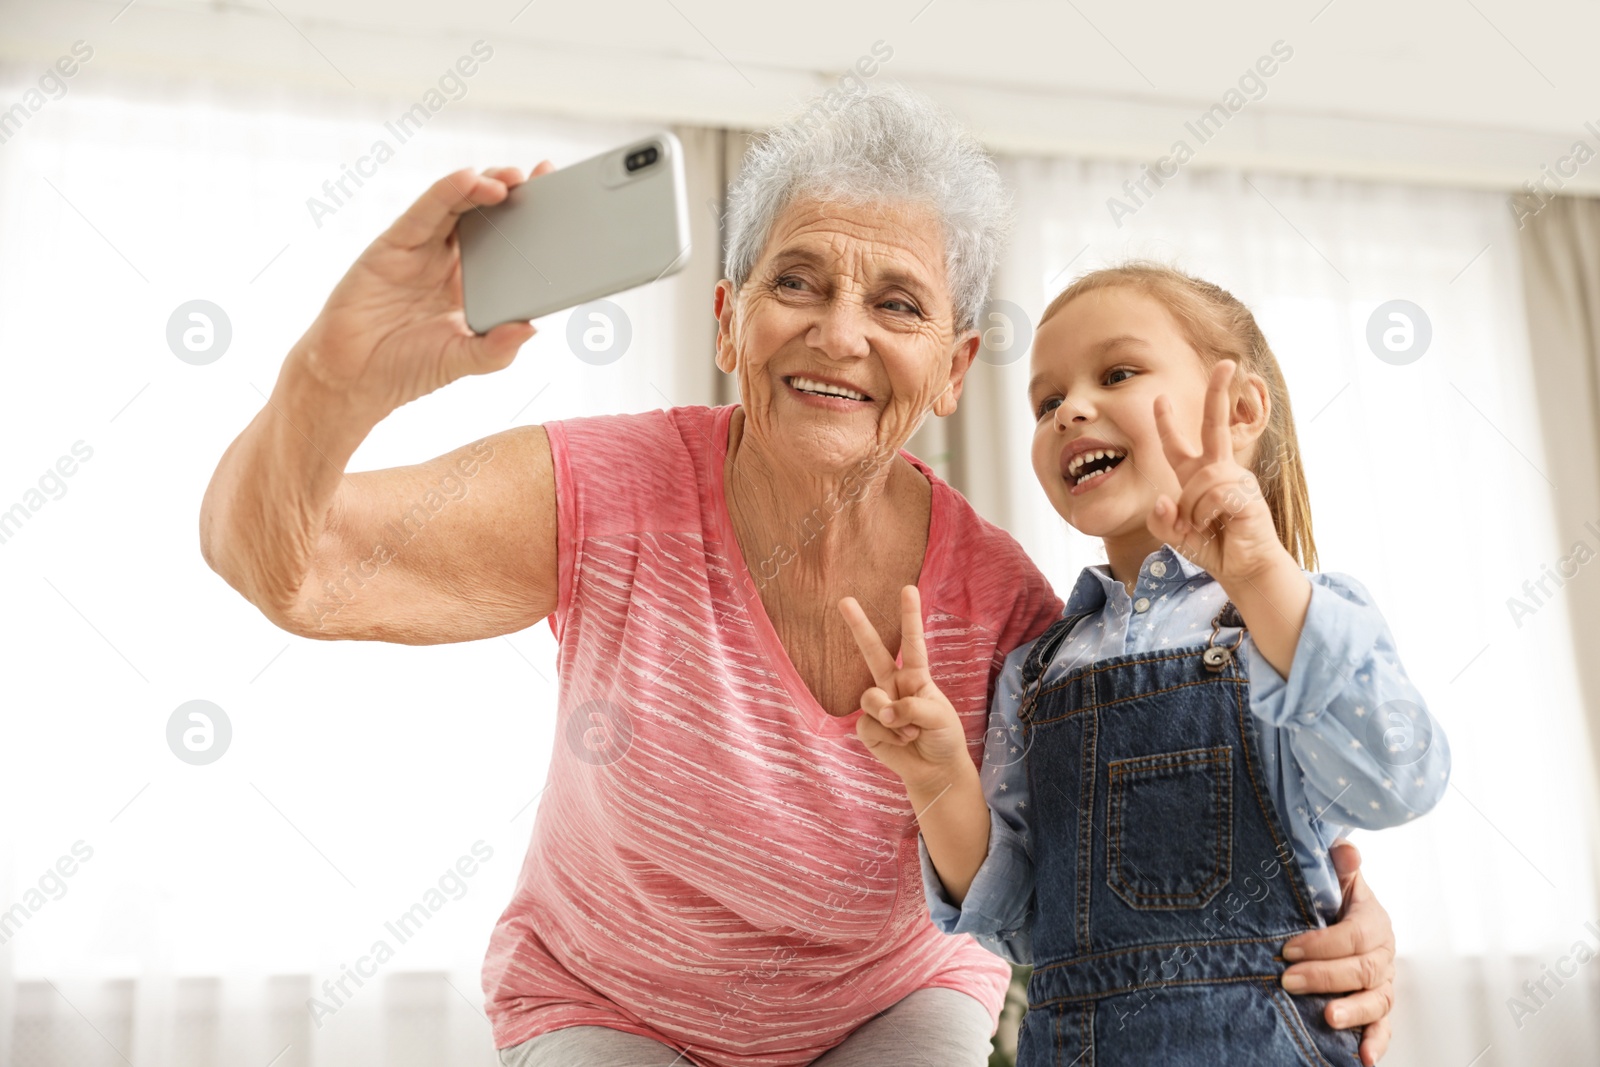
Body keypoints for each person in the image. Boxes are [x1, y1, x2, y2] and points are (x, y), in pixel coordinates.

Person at [198, 87, 1401, 1067]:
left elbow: (1117, 857)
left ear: (949, 366)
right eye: (796, 282)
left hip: (891, 1004)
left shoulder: (1008, 609)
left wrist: (1344, 929)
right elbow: (284, 568)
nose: (839, 332)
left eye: (896, 302)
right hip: (610, 997)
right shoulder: (605, 491)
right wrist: (338, 372)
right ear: (727, 322)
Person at [840, 263, 1446, 1066]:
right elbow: (1017, 916)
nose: (1070, 410)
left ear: (1237, 410)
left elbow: (1398, 778)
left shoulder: (1297, 615)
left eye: (1116, 373)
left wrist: (1261, 572)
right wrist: (939, 777)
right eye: (1047, 401)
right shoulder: (1038, 668)